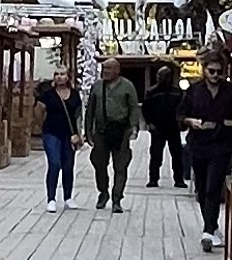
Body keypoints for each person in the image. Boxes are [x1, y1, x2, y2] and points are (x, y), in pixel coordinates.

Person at [183, 47, 232, 243]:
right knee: (202, 188)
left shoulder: (231, 90)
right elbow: (181, 115)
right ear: (204, 70)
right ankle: (211, 226)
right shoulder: (194, 90)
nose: (215, 75)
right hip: (198, 144)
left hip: (222, 144)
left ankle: (208, 231)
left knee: (213, 186)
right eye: (211, 71)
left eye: (219, 72)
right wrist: (191, 122)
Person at [83, 58, 141, 211]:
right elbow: (90, 110)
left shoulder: (127, 86)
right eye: (104, 69)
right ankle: (103, 192)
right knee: (99, 163)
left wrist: (133, 127)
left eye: (109, 69)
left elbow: (134, 107)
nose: (106, 72)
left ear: (117, 70)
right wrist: (88, 132)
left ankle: (117, 198)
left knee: (120, 166)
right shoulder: (97, 86)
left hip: (121, 131)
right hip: (101, 131)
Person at [34, 63, 79, 207]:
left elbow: (78, 115)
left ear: (68, 77)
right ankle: (51, 198)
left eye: (62, 74)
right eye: (57, 74)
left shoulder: (75, 94)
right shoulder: (48, 94)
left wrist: (79, 133)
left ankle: (68, 197)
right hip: (51, 132)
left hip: (69, 134)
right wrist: (42, 126)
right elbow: (38, 111)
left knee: (68, 165)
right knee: (54, 163)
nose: (59, 77)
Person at [142, 56, 187, 191]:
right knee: (156, 155)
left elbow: (182, 108)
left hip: (173, 127)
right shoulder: (152, 92)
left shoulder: (177, 92)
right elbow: (146, 109)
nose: (162, 78)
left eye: (165, 76)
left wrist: (181, 122)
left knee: (177, 155)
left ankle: (179, 180)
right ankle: (153, 179)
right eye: (160, 75)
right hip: (157, 128)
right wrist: (149, 123)